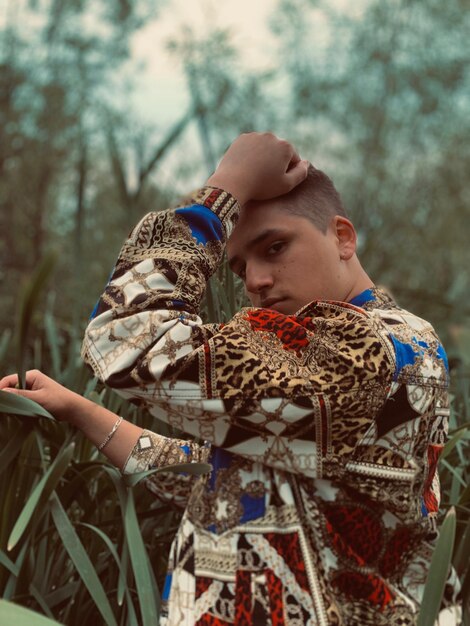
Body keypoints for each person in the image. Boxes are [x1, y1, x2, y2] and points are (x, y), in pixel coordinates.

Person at [0, 133, 460, 625]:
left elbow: (123, 336)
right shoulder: (399, 345)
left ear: (343, 237)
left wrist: (225, 188)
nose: (256, 281)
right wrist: (77, 409)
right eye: (240, 267)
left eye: (275, 247)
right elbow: (222, 474)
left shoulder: (359, 353)